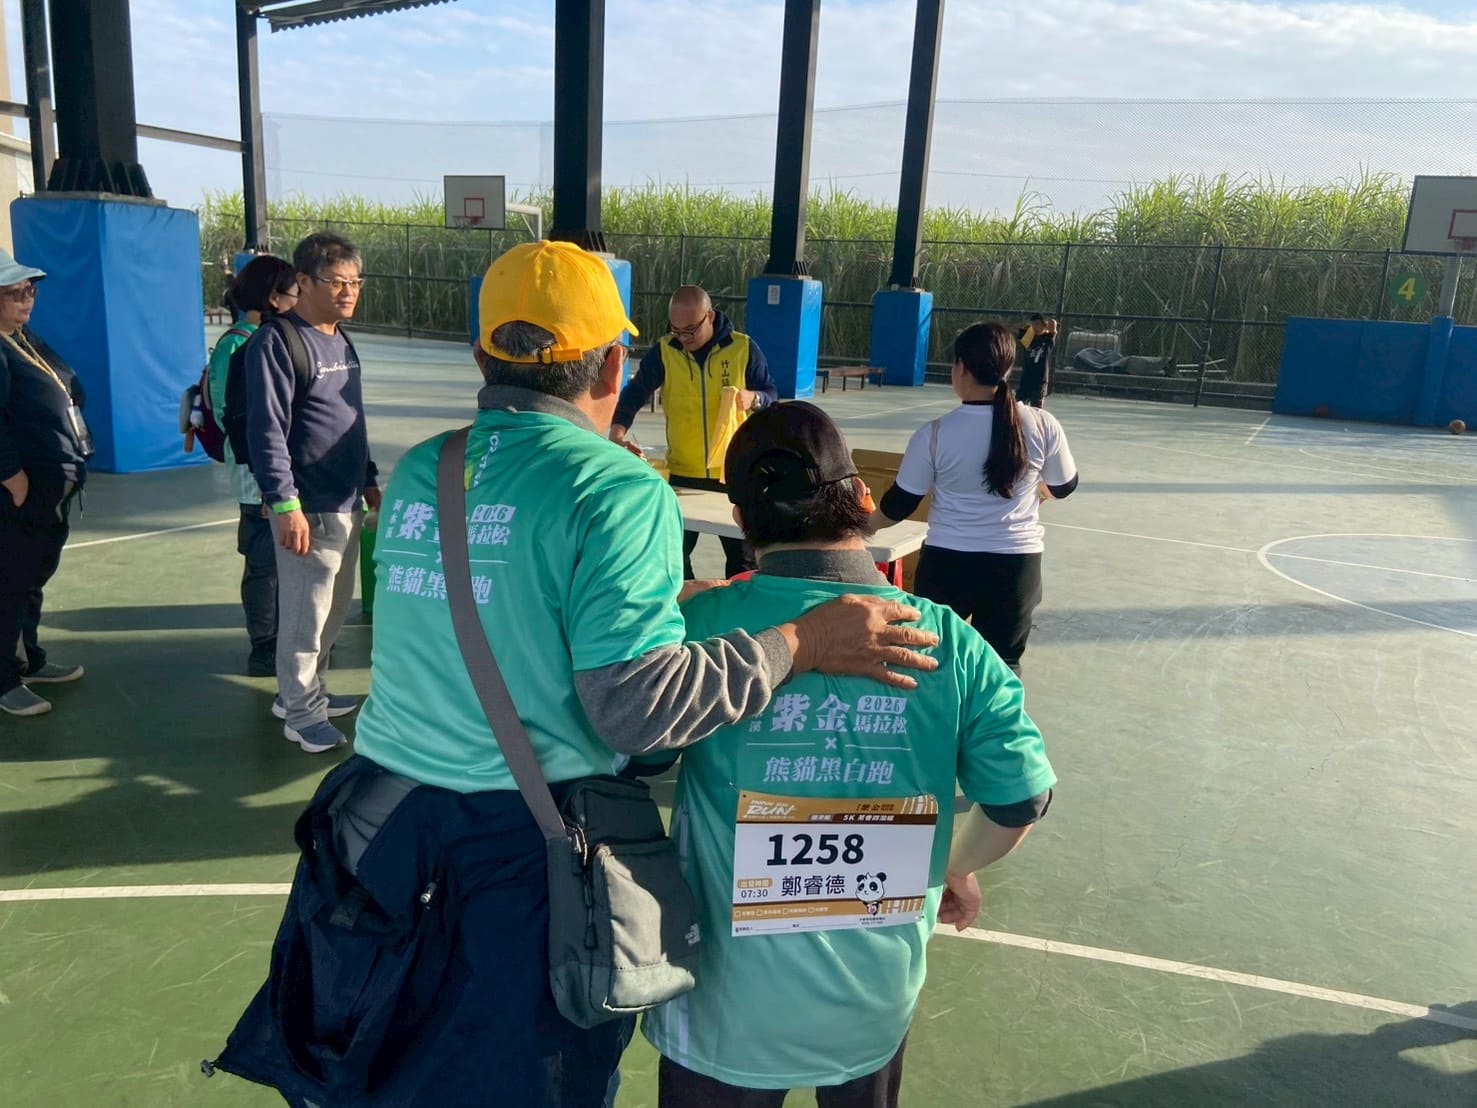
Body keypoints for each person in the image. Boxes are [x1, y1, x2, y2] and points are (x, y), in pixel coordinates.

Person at [213, 241, 940, 1108]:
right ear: (612, 363)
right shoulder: (616, 489)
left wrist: (669, 595)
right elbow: (637, 710)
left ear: (482, 357)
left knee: (392, 1068)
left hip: (380, 832)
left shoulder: (424, 470)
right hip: (512, 858)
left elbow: (500, 593)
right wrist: (802, 641)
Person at [640, 401, 1056, 1107]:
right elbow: (1021, 799)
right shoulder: (951, 642)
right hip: (873, 1004)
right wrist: (952, 866)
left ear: (740, 521)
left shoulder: (698, 627)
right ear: (863, 498)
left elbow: (639, 751)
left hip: (722, 1009)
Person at [869, 322, 1078, 674]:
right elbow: (1063, 486)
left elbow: (899, 504)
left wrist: (862, 525)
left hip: (948, 565)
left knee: (933, 661)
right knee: (1002, 668)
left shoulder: (934, 434)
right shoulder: (1043, 424)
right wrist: (1039, 491)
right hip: (1016, 567)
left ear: (962, 368)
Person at [244, 232, 380, 752]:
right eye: (336, 282)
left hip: (345, 499)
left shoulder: (340, 338)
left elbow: (349, 419)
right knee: (305, 616)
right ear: (303, 281)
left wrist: (368, 477)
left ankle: (306, 693)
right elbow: (267, 430)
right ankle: (301, 714)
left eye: (355, 282)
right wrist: (285, 504)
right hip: (309, 505)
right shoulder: (277, 342)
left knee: (332, 611)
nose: (348, 292)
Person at [610, 285, 777, 579]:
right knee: (672, 556)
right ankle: (688, 603)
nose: (684, 338)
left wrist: (755, 398)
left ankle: (737, 606)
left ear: (709, 316)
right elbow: (634, 394)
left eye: (690, 330)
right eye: (676, 331)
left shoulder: (743, 348)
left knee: (743, 561)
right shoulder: (665, 352)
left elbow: (771, 396)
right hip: (682, 474)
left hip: (733, 473)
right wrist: (618, 432)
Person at [0, 250, 91, 718]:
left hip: (52, 489)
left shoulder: (22, 338)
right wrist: (13, 479)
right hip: (20, 493)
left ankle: (27, 658)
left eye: (30, 290)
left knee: (32, 579)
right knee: (9, 584)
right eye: (15, 292)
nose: (27, 299)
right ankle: (4, 679)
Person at [210, 255, 300, 677]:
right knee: (264, 562)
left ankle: (287, 636)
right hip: (257, 477)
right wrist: (268, 483)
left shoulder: (268, 339)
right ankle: (265, 643)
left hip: (273, 473)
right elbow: (237, 417)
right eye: (295, 291)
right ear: (273, 298)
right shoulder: (240, 345)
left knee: (285, 561)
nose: (300, 299)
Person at [1016, 313, 1057, 408]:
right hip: (1026, 377)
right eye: (1033, 324)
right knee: (1019, 406)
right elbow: (1020, 328)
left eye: (1037, 324)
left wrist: (1047, 325)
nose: (1035, 327)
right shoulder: (1028, 337)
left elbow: (1053, 326)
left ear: (1043, 324)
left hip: (1040, 379)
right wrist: (1028, 327)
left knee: (1037, 408)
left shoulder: (1047, 338)